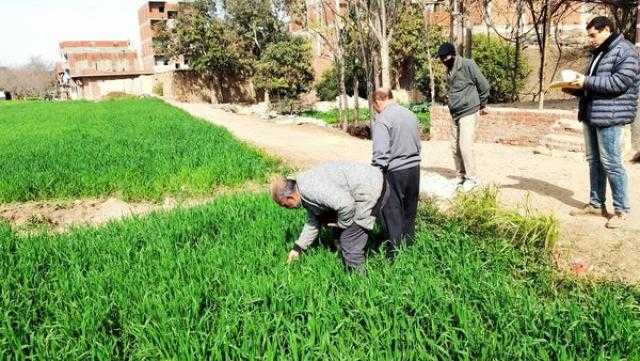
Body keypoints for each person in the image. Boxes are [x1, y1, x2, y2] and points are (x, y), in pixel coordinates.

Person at [564, 16, 639, 229]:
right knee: (594, 162)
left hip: (611, 117)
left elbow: (619, 82)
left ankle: (622, 210)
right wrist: (573, 86)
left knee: (612, 163)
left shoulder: (625, 51)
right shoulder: (600, 52)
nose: (590, 40)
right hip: (592, 114)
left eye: (593, 35)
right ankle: (597, 205)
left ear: (606, 29)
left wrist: (585, 81)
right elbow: (597, 84)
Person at [271, 162, 388, 271]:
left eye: (286, 206)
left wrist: (342, 225)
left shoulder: (309, 190)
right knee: (339, 228)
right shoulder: (302, 190)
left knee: (349, 240)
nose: (288, 209)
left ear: (289, 198)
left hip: (370, 189)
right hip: (369, 181)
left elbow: (346, 204)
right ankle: (345, 263)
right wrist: (297, 248)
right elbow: (314, 220)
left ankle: (360, 283)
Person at [370, 88, 421, 258]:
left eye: (374, 105)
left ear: (378, 100)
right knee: (409, 212)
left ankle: (394, 256)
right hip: (414, 168)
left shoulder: (383, 119)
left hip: (394, 171)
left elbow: (381, 154)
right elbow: (418, 144)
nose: (375, 109)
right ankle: (409, 250)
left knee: (392, 214)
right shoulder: (410, 114)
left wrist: (376, 175)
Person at [437, 42, 490, 192]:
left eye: (446, 57)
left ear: (453, 55)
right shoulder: (448, 69)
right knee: (454, 146)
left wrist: (482, 104)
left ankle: (473, 179)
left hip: (469, 110)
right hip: (455, 113)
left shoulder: (467, 65)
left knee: (465, 146)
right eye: (442, 58)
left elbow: (484, 85)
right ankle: (461, 176)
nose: (444, 61)